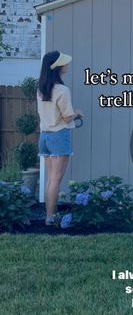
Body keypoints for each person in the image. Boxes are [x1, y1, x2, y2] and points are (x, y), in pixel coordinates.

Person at [37, 51, 84, 225]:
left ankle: (50, 216)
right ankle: (50, 217)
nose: (67, 65)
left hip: (45, 138)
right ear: (57, 67)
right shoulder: (62, 90)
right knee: (56, 180)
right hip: (59, 137)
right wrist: (77, 113)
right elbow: (67, 117)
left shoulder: (41, 89)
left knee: (51, 179)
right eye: (64, 63)